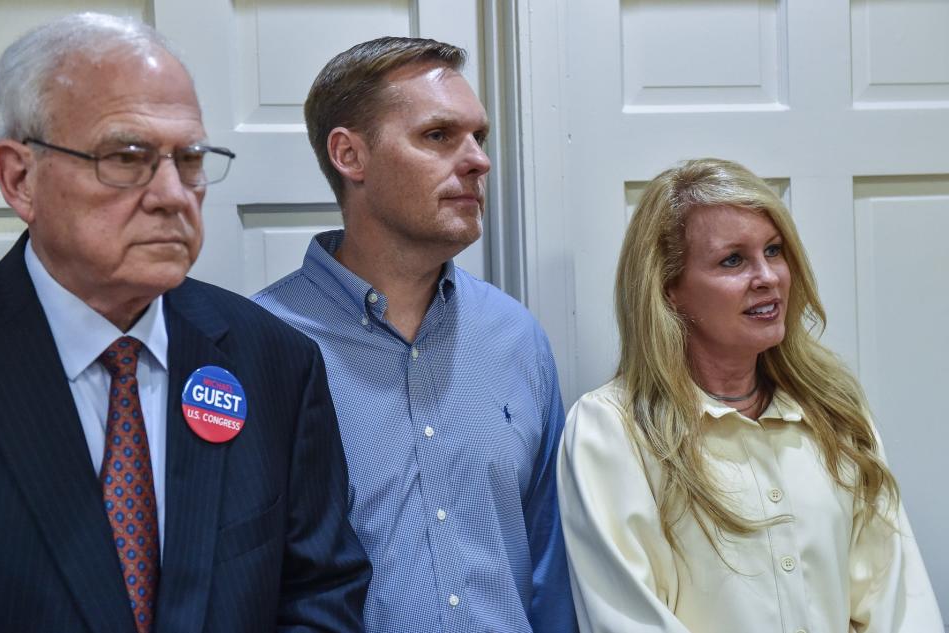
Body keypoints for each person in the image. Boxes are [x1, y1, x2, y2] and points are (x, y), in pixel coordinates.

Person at [0, 13, 370, 633]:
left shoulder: (272, 358)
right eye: (127, 156)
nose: (172, 194)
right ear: (19, 176)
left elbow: (319, 594)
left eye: (189, 159)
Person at [253, 37, 576, 633]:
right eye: (438, 136)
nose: (478, 160)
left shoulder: (516, 337)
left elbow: (551, 568)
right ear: (350, 155)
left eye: (480, 137)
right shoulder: (260, 346)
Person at [557, 157, 945, 632]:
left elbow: (898, 603)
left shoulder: (835, 414)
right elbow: (629, 619)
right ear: (669, 290)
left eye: (775, 250)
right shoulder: (611, 431)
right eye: (733, 260)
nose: (767, 277)